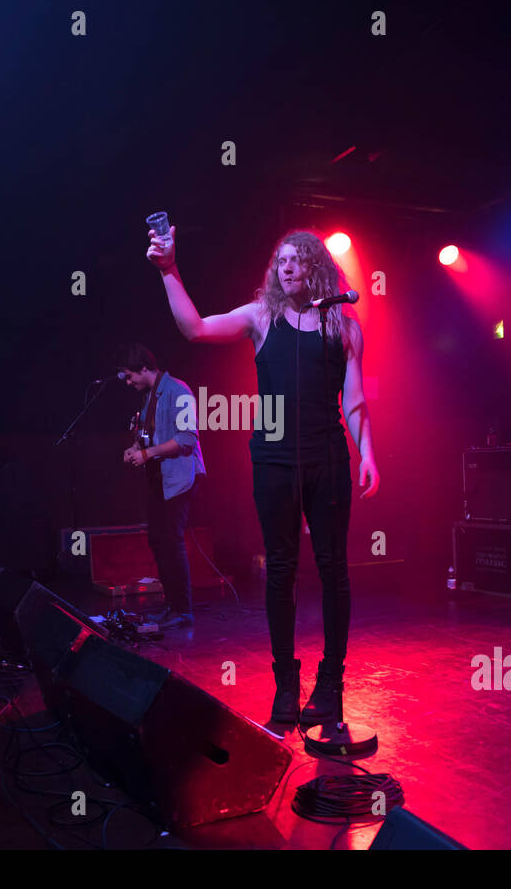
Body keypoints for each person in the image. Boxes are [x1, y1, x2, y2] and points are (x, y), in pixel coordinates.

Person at [146, 226, 379, 728]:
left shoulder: (343, 322)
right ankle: (286, 685)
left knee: (334, 569)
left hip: (329, 459)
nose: (286, 267)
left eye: (296, 260)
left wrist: (368, 454)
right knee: (281, 569)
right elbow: (196, 329)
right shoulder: (262, 317)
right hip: (273, 462)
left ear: (315, 266)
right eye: (280, 261)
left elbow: (355, 402)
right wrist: (169, 270)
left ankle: (331, 684)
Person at [116, 342, 206, 629]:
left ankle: (183, 610)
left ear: (145, 369)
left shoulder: (179, 391)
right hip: (159, 479)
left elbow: (187, 439)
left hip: (179, 478)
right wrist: (135, 448)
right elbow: (146, 437)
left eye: (131, 376)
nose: (129, 382)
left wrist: (147, 454)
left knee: (171, 541)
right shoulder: (148, 398)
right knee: (158, 540)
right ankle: (172, 605)